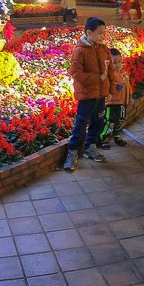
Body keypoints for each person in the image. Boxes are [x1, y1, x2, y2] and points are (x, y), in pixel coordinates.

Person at [63, 17, 110, 172]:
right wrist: (97, 79)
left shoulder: (103, 49)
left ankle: (90, 146)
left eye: (104, 33)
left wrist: (111, 89)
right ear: (89, 32)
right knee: (81, 124)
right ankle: (73, 152)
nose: (102, 36)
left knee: (98, 121)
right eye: (99, 33)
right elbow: (76, 73)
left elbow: (108, 70)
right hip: (87, 94)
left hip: (101, 94)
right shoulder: (80, 50)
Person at [98, 47, 131, 149]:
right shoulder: (109, 76)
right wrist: (120, 85)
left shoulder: (124, 75)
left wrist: (130, 97)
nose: (118, 65)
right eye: (115, 62)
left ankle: (117, 136)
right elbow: (112, 89)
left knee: (120, 120)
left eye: (120, 62)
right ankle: (103, 138)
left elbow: (128, 87)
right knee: (109, 121)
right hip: (112, 103)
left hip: (122, 103)